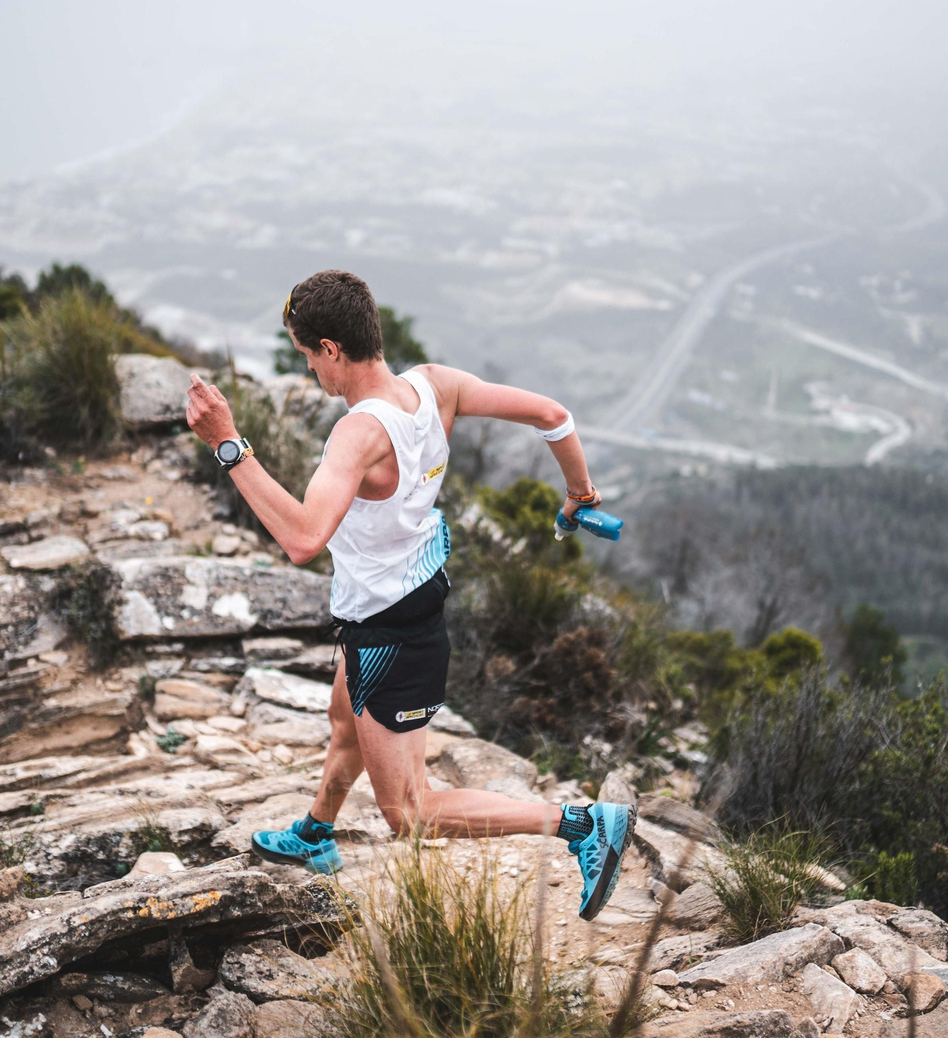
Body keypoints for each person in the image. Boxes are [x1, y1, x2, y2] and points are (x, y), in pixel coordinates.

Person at [184, 269, 635, 920]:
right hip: (414, 598)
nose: (310, 369)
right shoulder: (434, 385)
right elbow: (553, 416)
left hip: (387, 633)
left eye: (308, 356)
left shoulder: (358, 434)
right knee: (345, 721)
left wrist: (228, 446)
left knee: (412, 812)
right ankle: (316, 833)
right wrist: (579, 497)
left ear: (332, 349)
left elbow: (304, 539)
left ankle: (580, 824)